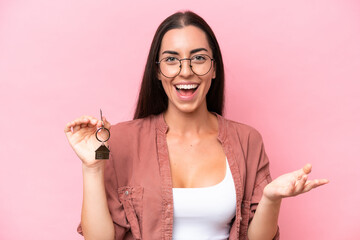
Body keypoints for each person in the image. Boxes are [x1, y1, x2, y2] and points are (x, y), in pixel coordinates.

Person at [64, 11, 329, 240]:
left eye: (199, 58)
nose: (186, 71)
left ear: (214, 68)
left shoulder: (247, 140)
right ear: (157, 71)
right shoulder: (120, 139)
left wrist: (271, 198)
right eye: (171, 59)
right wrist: (92, 168)